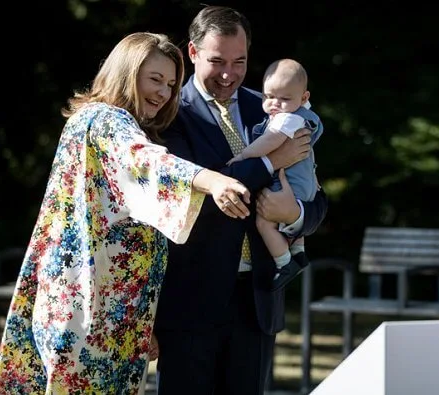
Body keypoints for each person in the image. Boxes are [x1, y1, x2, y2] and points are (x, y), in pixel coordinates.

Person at [0, 32, 251, 395]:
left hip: (106, 313)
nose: (163, 93)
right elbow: (145, 162)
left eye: (171, 85)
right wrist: (211, 180)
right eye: (155, 79)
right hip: (88, 312)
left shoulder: (107, 125)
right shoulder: (104, 120)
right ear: (126, 74)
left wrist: (147, 321)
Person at [153, 6, 329, 395]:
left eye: (240, 61)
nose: (230, 74)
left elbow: (315, 195)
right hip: (191, 303)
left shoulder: (272, 106)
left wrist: (295, 214)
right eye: (217, 61)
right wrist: (272, 161)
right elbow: (199, 194)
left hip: (258, 303)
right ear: (193, 53)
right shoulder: (169, 115)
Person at [226, 58, 323, 291]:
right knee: (289, 212)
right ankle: (298, 251)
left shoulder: (288, 118)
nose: (275, 104)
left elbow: (270, 141)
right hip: (307, 184)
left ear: (304, 98)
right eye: (269, 96)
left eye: (284, 99)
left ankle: (285, 262)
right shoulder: (304, 116)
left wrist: (243, 156)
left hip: (291, 183)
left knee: (265, 222)